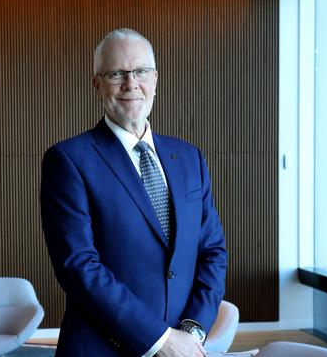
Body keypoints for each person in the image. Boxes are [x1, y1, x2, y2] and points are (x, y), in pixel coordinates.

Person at [40, 28, 228, 357]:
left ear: (155, 80)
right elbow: (79, 266)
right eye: (116, 73)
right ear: (97, 85)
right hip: (100, 348)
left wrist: (190, 331)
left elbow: (212, 251)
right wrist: (160, 340)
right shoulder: (68, 160)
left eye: (140, 71)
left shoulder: (189, 157)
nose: (131, 84)